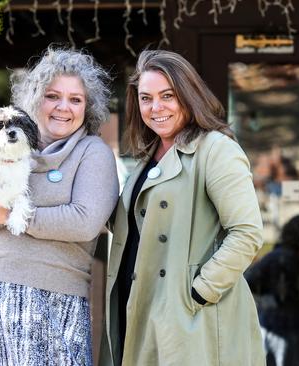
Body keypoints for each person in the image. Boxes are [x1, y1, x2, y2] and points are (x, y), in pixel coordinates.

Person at [0, 47, 119, 365]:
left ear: (88, 107)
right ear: (35, 98)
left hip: (54, 301)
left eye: (75, 99)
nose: (63, 107)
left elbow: (84, 222)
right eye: (52, 96)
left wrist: (5, 216)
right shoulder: (0, 144)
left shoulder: (93, 152)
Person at [101, 50, 265, 365]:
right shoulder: (146, 157)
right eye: (146, 98)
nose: (156, 107)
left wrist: (198, 292)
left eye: (167, 96)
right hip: (139, 303)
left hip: (190, 313)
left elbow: (247, 233)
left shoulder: (215, 149)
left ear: (188, 96)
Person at [244, 215, 299, 366]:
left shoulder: (274, 257)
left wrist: (264, 301)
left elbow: (247, 281)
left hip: (272, 325)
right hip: (296, 328)